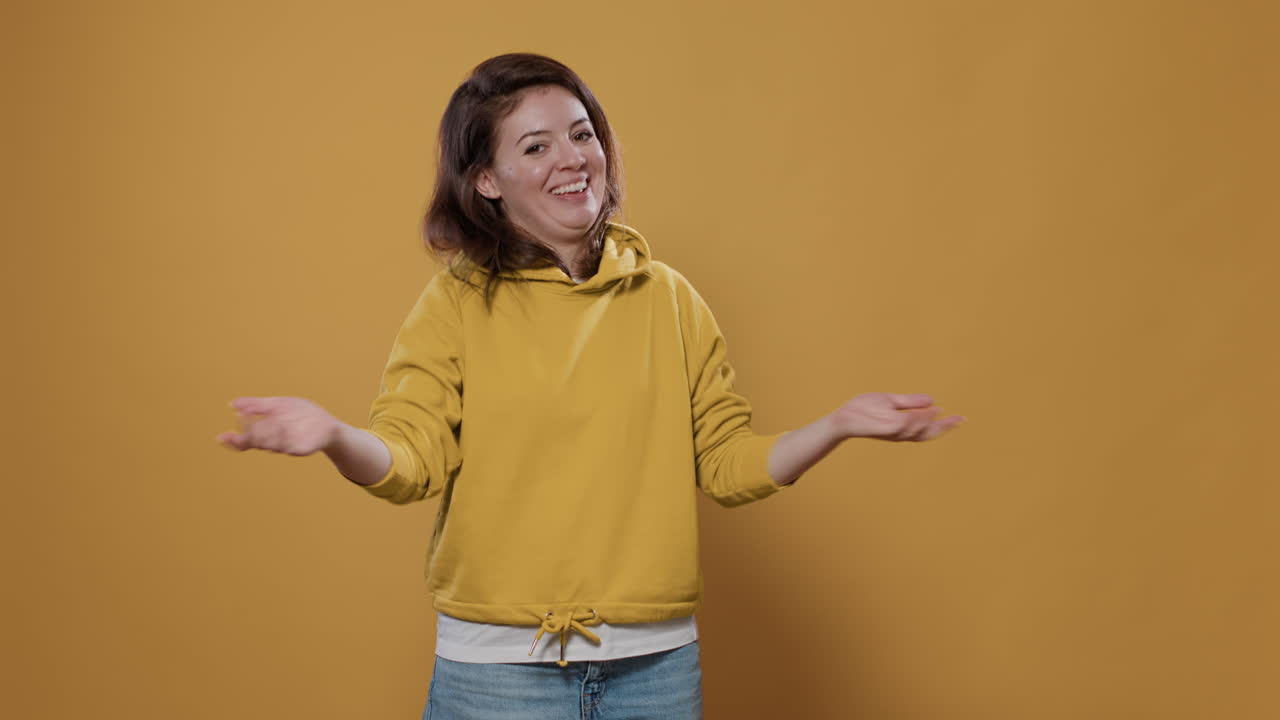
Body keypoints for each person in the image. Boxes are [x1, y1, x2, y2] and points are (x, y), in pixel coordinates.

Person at [217, 53, 964, 720]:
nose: (573, 159)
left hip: (657, 673)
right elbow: (410, 463)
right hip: (495, 679)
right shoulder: (455, 304)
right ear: (486, 180)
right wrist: (334, 437)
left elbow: (727, 465)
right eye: (534, 146)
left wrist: (838, 425)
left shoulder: (669, 300)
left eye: (582, 133)